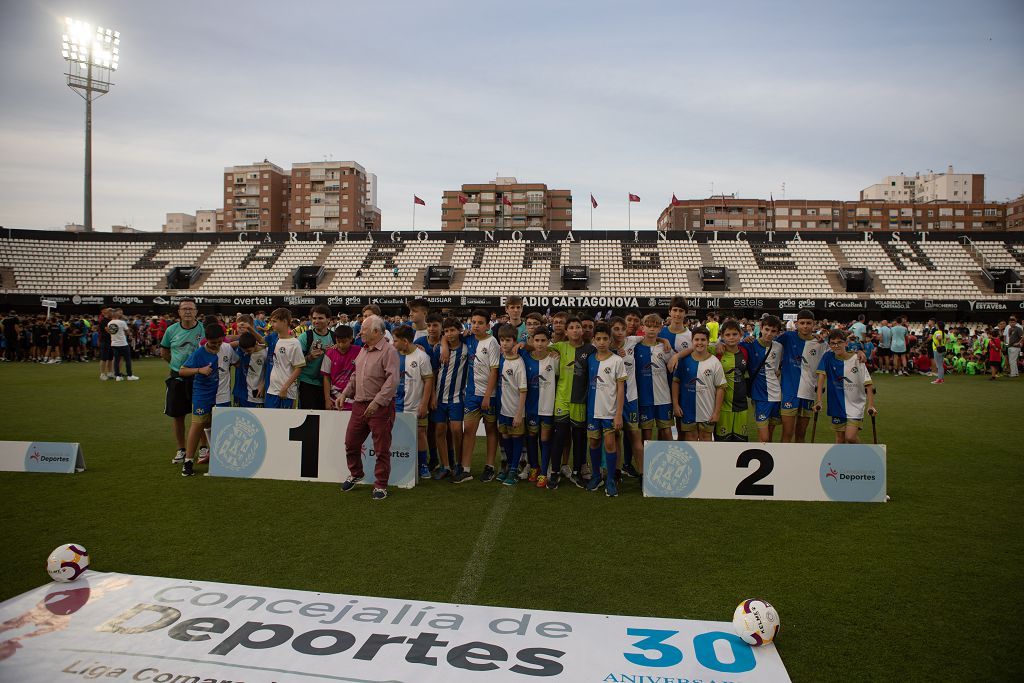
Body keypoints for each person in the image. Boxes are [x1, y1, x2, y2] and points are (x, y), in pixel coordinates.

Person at [338, 315, 399, 501]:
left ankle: (380, 485)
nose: (360, 331)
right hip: (359, 404)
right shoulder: (363, 350)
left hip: (380, 408)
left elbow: (392, 380)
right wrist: (344, 394)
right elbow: (356, 377)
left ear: (376, 331)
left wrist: (377, 402)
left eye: (363, 328)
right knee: (351, 443)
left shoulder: (389, 351)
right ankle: (356, 472)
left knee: (381, 449)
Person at [177, 323, 228, 477]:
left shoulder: (226, 348)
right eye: (214, 343)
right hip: (202, 395)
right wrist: (199, 370)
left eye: (220, 342)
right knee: (197, 425)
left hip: (221, 395)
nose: (217, 345)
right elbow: (182, 370)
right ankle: (188, 462)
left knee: (220, 427)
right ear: (207, 340)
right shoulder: (199, 353)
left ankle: (220, 460)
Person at [584, 322, 626, 496]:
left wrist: (618, 414)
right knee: (593, 442)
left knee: (610, 444)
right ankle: (596, 475)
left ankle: (610, 479)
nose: (601, 342)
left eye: (605, 339)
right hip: (592, 411)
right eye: (598, 339)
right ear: (594, 340)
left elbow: (621, 389)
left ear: (610, 340)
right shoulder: (590, 359)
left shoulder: (617, 360)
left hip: (609, 412)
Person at [459, 310, 501, 482]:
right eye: (473, 322)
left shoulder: (492, 343)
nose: (476, 325)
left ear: (487, 325)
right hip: (471, 394)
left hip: (488, 396)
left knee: (491, 430)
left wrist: (487, 396)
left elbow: (494, 371)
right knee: (468, 430)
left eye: (480, 323)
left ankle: (489, 466)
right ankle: (465, 469)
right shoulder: (467, 339)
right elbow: (447, 336)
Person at [161, 299, 204, 464]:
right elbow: (164, 351)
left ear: (196, 311)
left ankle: (203, 448)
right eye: (184, 309)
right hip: (177, 379)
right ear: (179, 312)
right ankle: (181, 449)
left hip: (199, 380)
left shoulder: (203, 329)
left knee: (200, 415)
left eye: (191, 309)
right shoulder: (171, 330)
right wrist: (177, 366)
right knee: (178, 416)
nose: (187, 311)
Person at [815, 329, 876, 444]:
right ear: (829, 344)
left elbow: (868, 384)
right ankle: (842, 461)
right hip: (836, 405)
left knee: (850, 437)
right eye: (833, 343)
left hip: (855, 405)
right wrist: (818, 401)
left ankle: (864, 457)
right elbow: (821, 380)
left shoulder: (857, 359)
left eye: (839, 342)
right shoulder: (827, 357)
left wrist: (871, 405)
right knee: (839, 439)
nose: (836, 346)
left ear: (846, 343)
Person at [776, 309, 825, 443]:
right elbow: (767, 343)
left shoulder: (820, 344)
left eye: (808, 323)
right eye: (802, 323)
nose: (805, 326)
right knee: (787, 433)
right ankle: (783, 462)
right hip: (789, 392)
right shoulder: (787, 337)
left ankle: (798, 462)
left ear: (814, 324)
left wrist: (858, 351)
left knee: (801, 434)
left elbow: (838, 351)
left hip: (808, 393)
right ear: (796, 324)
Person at [392, 325, 434, 479]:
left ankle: (423, 464)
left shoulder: (421, 357)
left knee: (420, 433)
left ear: (405, 341)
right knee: (396, 433)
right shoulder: (393, 355)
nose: (393, 343)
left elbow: (428, 380)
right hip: (396, 404)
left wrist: (424, 403)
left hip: (416, 404)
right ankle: (401, 463)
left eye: (395, 341)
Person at [671, 327, 726, 442]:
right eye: (697, 340)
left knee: (706, 439)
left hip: (708, 410)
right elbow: (676, 382)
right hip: (687, 409)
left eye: (703, 340)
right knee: (690, 438)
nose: (700, 343)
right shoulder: (684, 361)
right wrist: (675, 405)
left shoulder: (715, 362)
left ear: (708, 341)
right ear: (692, 341)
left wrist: (716, 412)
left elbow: (720, 388)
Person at [433, 317, 470, 481]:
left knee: (456, 430)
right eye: (446, 331)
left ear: (459, 330)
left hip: (457, 398)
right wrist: (432, 396)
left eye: (452, 330)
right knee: (440, 431)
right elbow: (433, 373)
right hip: (440, 398)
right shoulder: (438, 350)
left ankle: (460, 464)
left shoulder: (467, 348)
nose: (449, 334)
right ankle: (445, 465)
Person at [521, 325, 558, 487]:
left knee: (544, 438)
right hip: (530, 407)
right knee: (531, 437)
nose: (540, 343)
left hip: (548, 406)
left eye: (543, 340)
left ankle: (544, 471)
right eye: (537, 340)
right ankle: (534, 467)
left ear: (549, 341)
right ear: (532, 341)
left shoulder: (554, 358)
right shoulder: (526, 358)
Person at [494, 325, 528, 486]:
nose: (505, 343)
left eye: (508, 340)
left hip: (516, 410)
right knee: (505, 437)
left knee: (516, 438)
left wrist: (519, 413)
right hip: (503, 409)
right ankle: (508, 466)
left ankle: (514, 469)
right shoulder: (501, 359)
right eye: (502, 340)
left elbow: (523, 391)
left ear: (514, 341)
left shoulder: (518, 363)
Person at [743, 315, 784, 443]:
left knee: (769, 435)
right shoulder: (750, 344)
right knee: (764, 436)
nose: (769, 334)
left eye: (773, 331)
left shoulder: (779, 347)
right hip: (760, 395)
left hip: (776, 394)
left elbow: (779, 367)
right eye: (766, 329)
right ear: (761, 328)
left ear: (777, 332)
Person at [714, 319, 750, 442]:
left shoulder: (745, 351)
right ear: (722, 336)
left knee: (740, 442)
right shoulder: (717, 352)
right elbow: (697, 346)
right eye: (727, 335)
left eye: (735, 334)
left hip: (742, 405)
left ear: (740, 335)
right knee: (723, 442)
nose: (731, 338)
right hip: (723, 406)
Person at [265, 308, 305, 409]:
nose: (271, 324)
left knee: (285, 423)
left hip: (286, 392)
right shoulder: (275, 339)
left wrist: (285, 387)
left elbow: (299, 368)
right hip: (272, 389)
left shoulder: (294, 343)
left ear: (284, 322)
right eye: (271, 321)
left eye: (274, 321)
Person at [296, 305, 333, 410]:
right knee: (309, 414)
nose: (316, 321)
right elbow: (295, 363)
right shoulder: (305, 337)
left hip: (327, 383)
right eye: (314, 318)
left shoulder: (334, 338)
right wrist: (309, 357)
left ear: (328, 320)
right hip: (307, 382)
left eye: (320, 318)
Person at [322, 326, 360, 410]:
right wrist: (327, 399)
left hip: (353, 398)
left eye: (344, 342)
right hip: (334, 398)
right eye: (338, 341)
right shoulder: (329, 353)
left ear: (351, 339)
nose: (341, 345)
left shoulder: (359, 351)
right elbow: (326, 377)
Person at [107, 309, 139, 381]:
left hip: (114, 343)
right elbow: (128, 332)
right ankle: (129, 375)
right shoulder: (122, 322)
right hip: (123, 343)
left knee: (116, 360)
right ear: (117, 315)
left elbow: (111, 332)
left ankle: (117, 376)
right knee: (128, 360)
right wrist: (128, 333)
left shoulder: (109, 323)